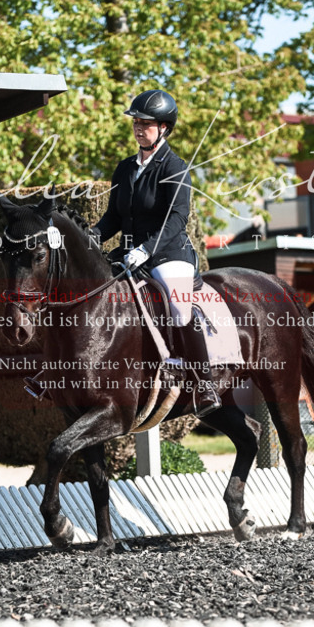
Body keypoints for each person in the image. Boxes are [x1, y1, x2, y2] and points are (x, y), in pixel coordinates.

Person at [94, 89, 221, 416]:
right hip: (129, 253)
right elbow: (113, 217)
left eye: (146, 123)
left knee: (179, 307)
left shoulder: (174, 167)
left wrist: (147, 250)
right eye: (136, 122)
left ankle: (203, 383)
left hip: (168, 254)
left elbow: (177, 218)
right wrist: (90, 237)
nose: (138, 128)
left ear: (164, 127)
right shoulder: (125, 169)